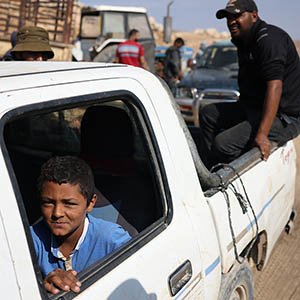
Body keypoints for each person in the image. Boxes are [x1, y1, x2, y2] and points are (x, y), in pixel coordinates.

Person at [199, 0, 300, 167]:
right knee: (208, 113)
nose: (231, 21)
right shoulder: (244, 41)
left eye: (237, 15)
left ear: (254, 15)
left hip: (284, 117)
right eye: (228, 17)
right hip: (255, 108)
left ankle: (227, 179)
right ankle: (211, 167)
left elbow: (274, 86)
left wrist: (262, 134)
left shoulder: (268, 40)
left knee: (223, 144)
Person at [30, 156, 131, 294]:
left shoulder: (112, 241)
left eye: (69, 204)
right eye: (48, 202)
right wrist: (41, 285)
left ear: (90, 203)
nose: (57, 213)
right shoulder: (30, 240)